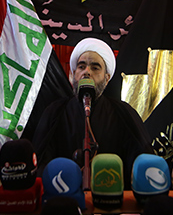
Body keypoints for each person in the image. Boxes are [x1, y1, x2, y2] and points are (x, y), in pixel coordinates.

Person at [32, 38, 153, 188]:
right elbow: (40, 166)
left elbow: (143, 166)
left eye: (95, 68)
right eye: (81, 67)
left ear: (106, 78)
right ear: (73, 74)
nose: (87, 72)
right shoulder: (55, 112)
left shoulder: (123, 113)